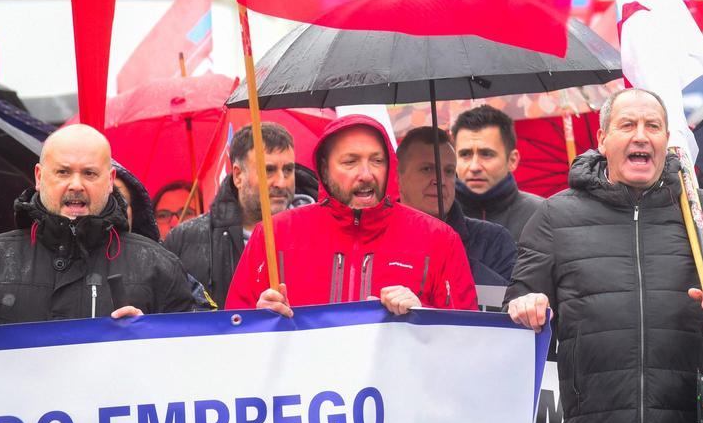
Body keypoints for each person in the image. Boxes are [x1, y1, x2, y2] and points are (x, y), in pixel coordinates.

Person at [506, 88, 703, 423]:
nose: (641, 136)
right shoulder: (554, 216)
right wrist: (525, 308)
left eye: (653, 126)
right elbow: (515, 313)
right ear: (603, 140)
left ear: (667, 139)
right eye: (627, 125)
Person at [226, 115, 477, 315]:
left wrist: (422, 315)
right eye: (350, 162)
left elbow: (463, 337)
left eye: (377, 161)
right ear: (324, 169)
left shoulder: (439, 239)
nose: (366, 174)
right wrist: (260, 319)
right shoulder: (274, 234)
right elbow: (235, 329)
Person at [0, 125, 197, 324]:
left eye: (89, 173)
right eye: (63, 172)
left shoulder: (158, 266)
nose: (76, 185)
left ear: (109, 181)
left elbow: (186, 352)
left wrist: (149, 334)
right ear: (39, 176)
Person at [165, 122, 315, 305]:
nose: (281, 183)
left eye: (288, 170)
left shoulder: (320, 231)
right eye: (268, 170)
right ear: (238, 175)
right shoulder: (185, 240)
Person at [397, 126, 516, 285]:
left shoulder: (492, 241)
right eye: (427, 169)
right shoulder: (374, 237)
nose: (440, 181)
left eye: (449, 171)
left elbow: (506, 303)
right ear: (398, 177)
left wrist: (449, 254)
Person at [453, 105, 542, 241]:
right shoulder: (436, 216)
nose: (474, 166)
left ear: (512, 160)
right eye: (465, 154)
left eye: (487, 154)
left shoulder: (543, 216)